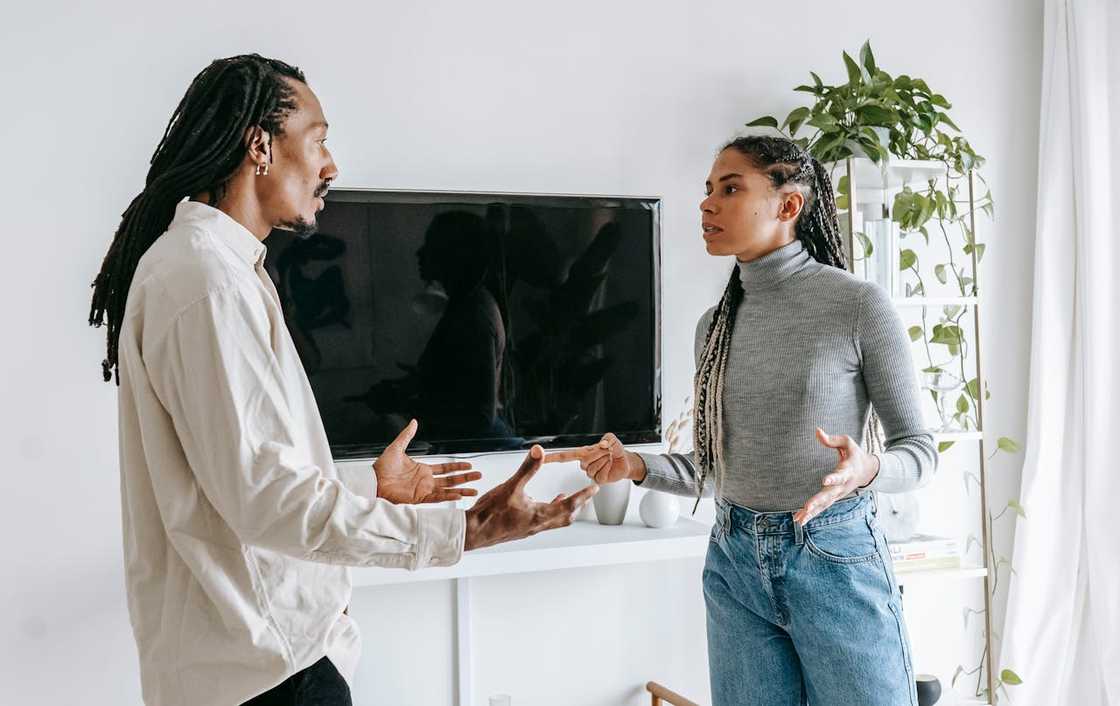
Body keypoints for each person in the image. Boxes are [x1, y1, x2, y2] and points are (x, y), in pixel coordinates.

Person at [88, 54, 596, 706]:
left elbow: (239, 475)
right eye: (320, 139)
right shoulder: (205, 282)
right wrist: (459, 531)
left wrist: (366, 487)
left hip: (260, 661)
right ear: (261, 147)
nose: (332, 166)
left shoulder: (216, 270)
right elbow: (265, 498)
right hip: (267, 672)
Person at [549, 135, 938, 706]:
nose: (707, 204)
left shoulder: (858, 306)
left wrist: (867, 468)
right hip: (734, 562)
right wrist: (634, 466)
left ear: (788, 206)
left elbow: (920, 452)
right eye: (707, 190)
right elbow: (713, 471)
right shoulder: (715, 326)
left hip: (834, 560)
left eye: (730, 189)